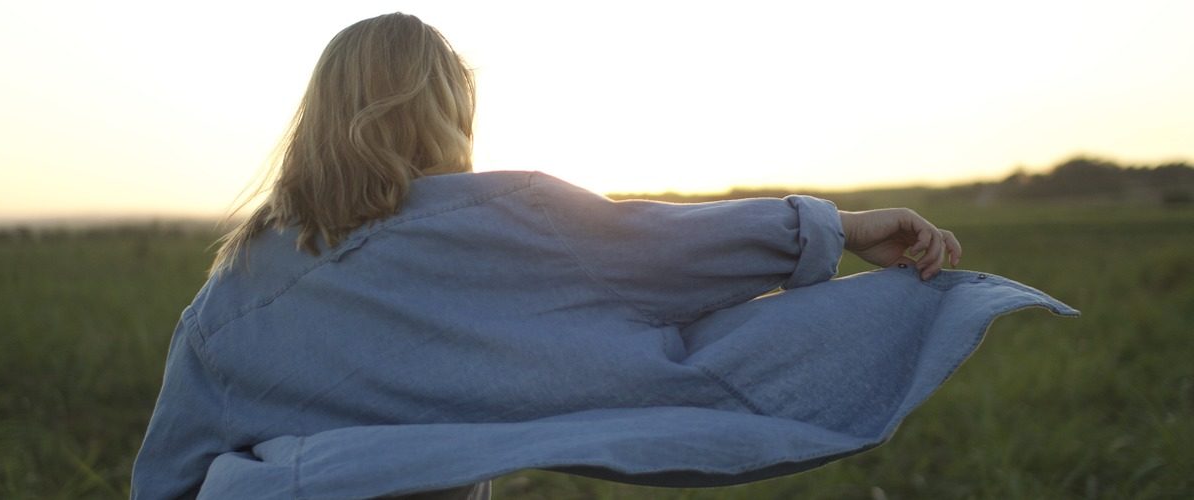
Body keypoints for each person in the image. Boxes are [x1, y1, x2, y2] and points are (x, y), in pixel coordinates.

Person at [131, 13, 1076, 499]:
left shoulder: (229, 296)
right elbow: (658, 251)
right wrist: (832, 229)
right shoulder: (504, 217)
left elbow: (166, 475)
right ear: (444, 113)